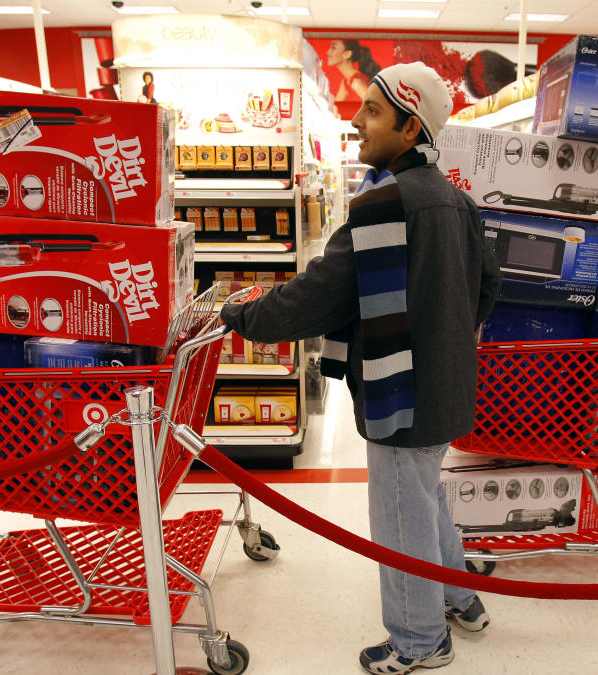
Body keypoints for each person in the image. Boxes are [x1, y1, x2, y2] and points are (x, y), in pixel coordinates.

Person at [220, 62, 501, 675]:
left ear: (410, 127)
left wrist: (241, 317)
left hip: (400, 391)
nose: (355, 120)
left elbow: (319, 296)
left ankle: (419, 641)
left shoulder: (384, 205)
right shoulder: (457, 202)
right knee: (424, 499)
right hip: (448, 383)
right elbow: (488, 290)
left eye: (373, 110)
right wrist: (444, 335)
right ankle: (461, 600)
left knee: (400, 516)